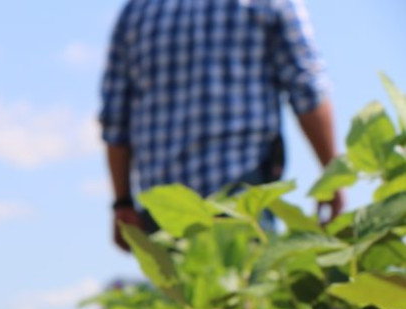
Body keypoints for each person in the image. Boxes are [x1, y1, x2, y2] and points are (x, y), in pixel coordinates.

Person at [99, 0, 344, 251]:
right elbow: (307, 90)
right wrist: (333, 177)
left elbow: (115, 120)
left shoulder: (136, 11)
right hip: (242, 200)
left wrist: (122, 203)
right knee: (251, 286)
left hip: (165, 211)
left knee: (180, 288)